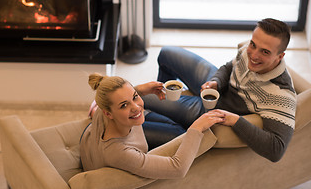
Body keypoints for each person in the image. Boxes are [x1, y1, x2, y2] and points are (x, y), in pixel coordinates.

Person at [142, 18, 296, 162]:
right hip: (219, 88)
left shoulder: (280, 96)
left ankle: (169, 125)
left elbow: (276, 150)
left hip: (217, 109)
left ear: (280, 56)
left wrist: (236, 120)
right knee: (167, 54)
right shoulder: (249, 51)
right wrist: (216, 82)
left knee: (143, 96)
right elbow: (229, 67)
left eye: (265, 52)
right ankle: (163, 114)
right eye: (253, 44)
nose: (253, 55)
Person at [80, 73, 227, 179]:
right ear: (108, 114)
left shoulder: (105, 109)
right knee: (179, 132)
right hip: (99, 157)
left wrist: (141, 90)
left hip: (90, 141)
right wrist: (196, 128)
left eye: (135, 96)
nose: (136, 107)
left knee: (172, 126)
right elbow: (177, 169)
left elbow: (123, 101)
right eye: (124, 105)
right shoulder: (119, 153)